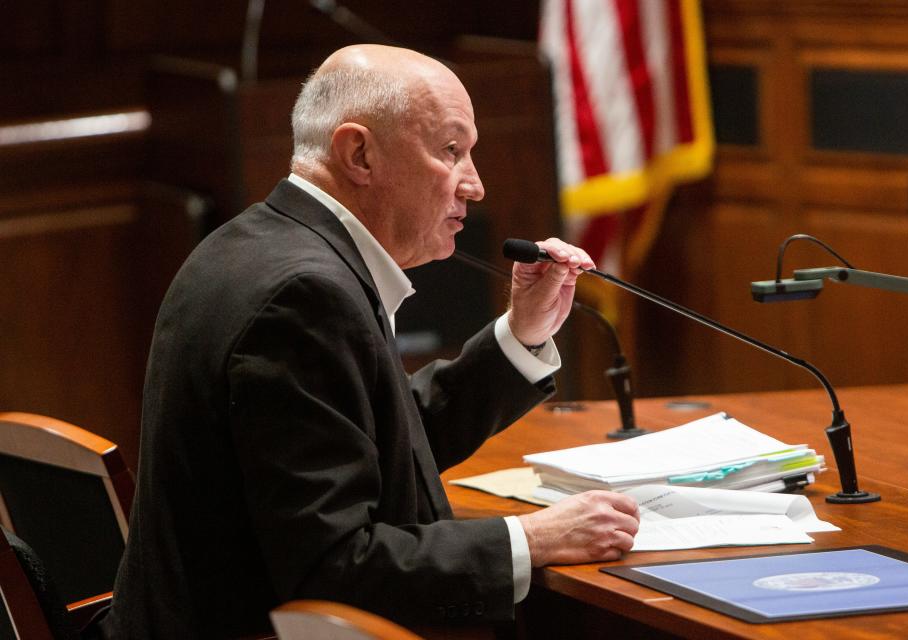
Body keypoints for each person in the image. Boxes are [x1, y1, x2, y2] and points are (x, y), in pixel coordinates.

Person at [100, 44, 639, 639]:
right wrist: (532, 539)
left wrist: (522, 334)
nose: (475, 186)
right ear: (359, 152)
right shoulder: (302, 295)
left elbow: (379, 444)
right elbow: (334, 569)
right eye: (451, 152)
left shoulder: (256, 244)